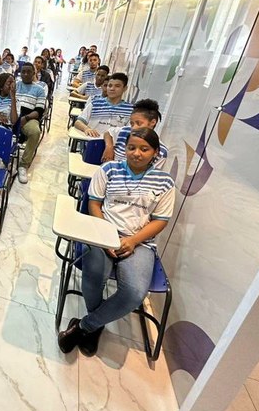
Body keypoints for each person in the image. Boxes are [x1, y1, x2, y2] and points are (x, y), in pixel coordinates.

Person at [58, 127, 175, 357]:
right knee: (93, 275)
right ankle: (95, 326)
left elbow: (160, 220)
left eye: (144, 149)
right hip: (103, 234)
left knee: (134, 292)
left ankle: (85, 327)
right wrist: (107, 236)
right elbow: (94, 204)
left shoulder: (164, 182)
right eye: (131, 147)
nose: (136, 153)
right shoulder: (109, 169)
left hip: (140, 243)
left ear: (155, 152)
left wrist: (131, 241)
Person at [103, 99, 168, 169]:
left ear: (152, 122)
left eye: (139, 123)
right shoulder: (125, 131)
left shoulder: (161, 151)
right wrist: (109, 147)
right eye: (132, 123)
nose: (134, 128)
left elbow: (151, 174)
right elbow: (108, 133)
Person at [15, 63, 47, 184]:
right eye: (23, 72)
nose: (25, 74)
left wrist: (25, 118)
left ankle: (23, 165)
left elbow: (39, 111)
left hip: (29, 117)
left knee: (35, 132)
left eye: (29, 72)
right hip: (13, 115)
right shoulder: (15, 85)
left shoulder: (39, 89)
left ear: (34, 73)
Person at [73, 72, 133, 137]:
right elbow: (78, 122)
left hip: (115, 145)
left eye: (117, 86)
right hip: (93, 142)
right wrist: (86, 129)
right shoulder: (95, 104)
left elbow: (130, 132)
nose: (112, 89)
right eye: (109, 86)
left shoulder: (130, 110)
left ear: (125, 88)